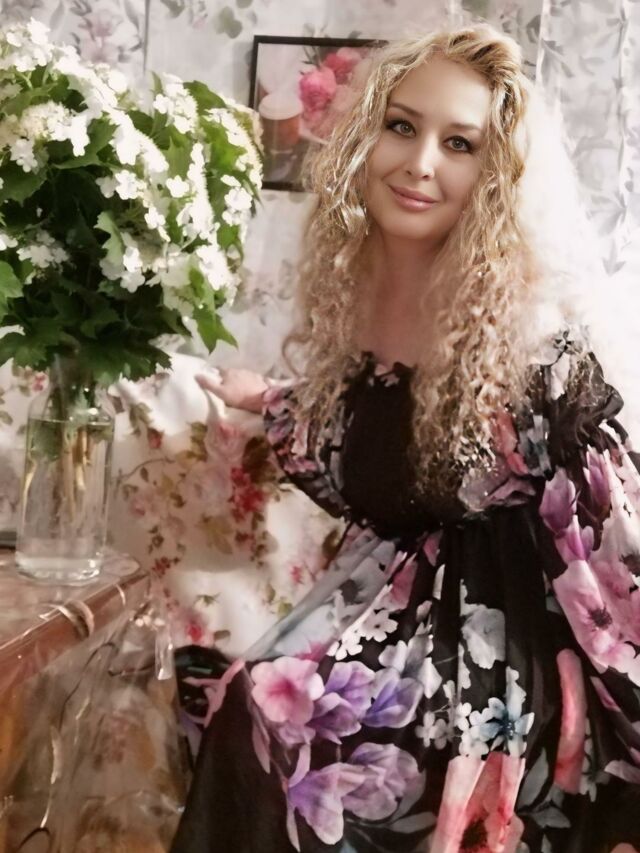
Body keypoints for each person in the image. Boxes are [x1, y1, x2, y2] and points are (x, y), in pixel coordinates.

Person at [170, 24, 640, 853]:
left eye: (460, 143)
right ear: (364, 137)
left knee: (301, 735)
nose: (421, 162)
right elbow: (374, 445)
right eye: (401, 126)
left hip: (504, 652)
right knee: (232, 694)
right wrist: (268, 400)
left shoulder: (538, 355)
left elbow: (611, 559)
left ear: (494, 174)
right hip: (392, 606)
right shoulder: (359, 296)